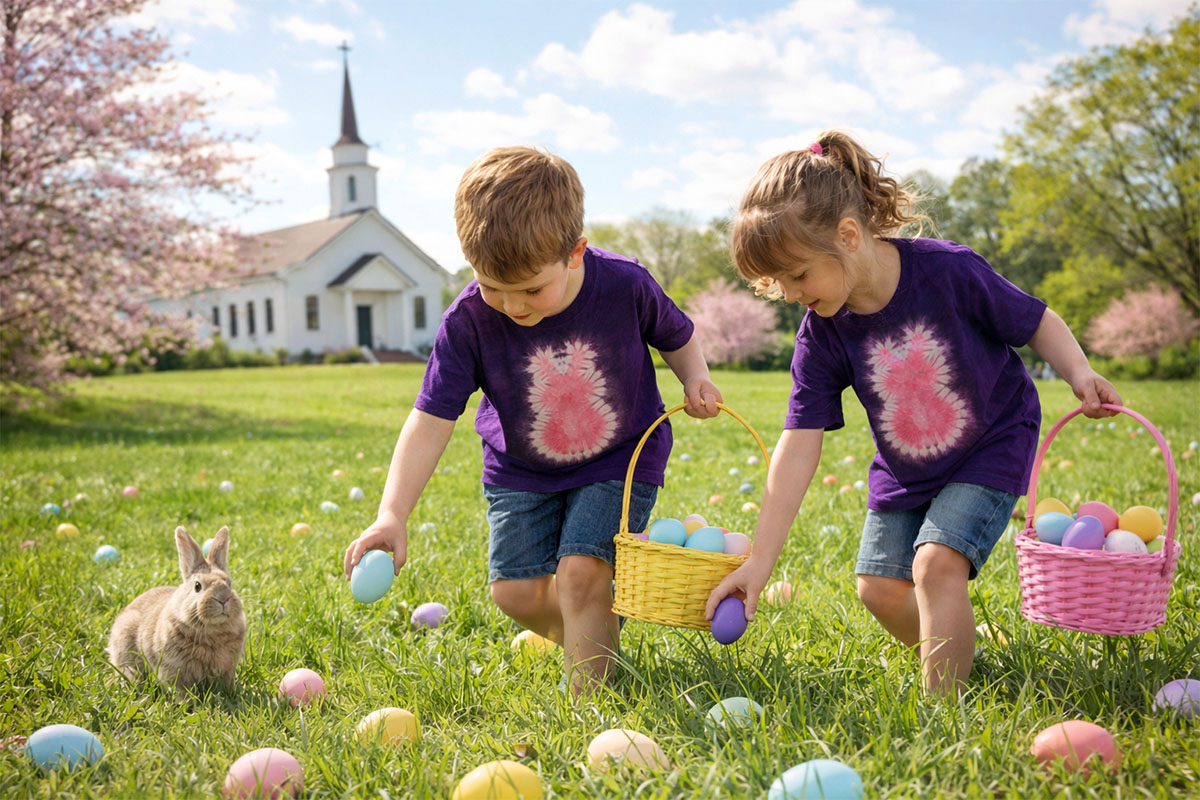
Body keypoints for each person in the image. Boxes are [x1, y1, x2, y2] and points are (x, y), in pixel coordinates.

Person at [704, 132, 1120, 696]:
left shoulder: (949, 273)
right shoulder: (822, 332)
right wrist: (759, 560)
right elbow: (799, 443)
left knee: (934, 566)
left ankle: (943, 711)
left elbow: (1035, 320)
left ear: (848, 236)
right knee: (878, 587)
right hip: (908, 463)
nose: (791, 293)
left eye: (798, 275)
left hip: (991, 440)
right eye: (779, 284)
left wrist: (1079, 373)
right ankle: (959, 652)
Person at [343, 146, 722, 695]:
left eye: (529, 289)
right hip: (521, 470)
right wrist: (392, 513)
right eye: (492, 286)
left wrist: (695, 378)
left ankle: (593, 707)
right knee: (514, 593)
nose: (513, 305)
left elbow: (676, 334)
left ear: (575, 253)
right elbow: (430, 419)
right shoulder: (469, 320)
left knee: (580, 573)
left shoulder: (624, 284)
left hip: (620, 455)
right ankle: (596, 640)